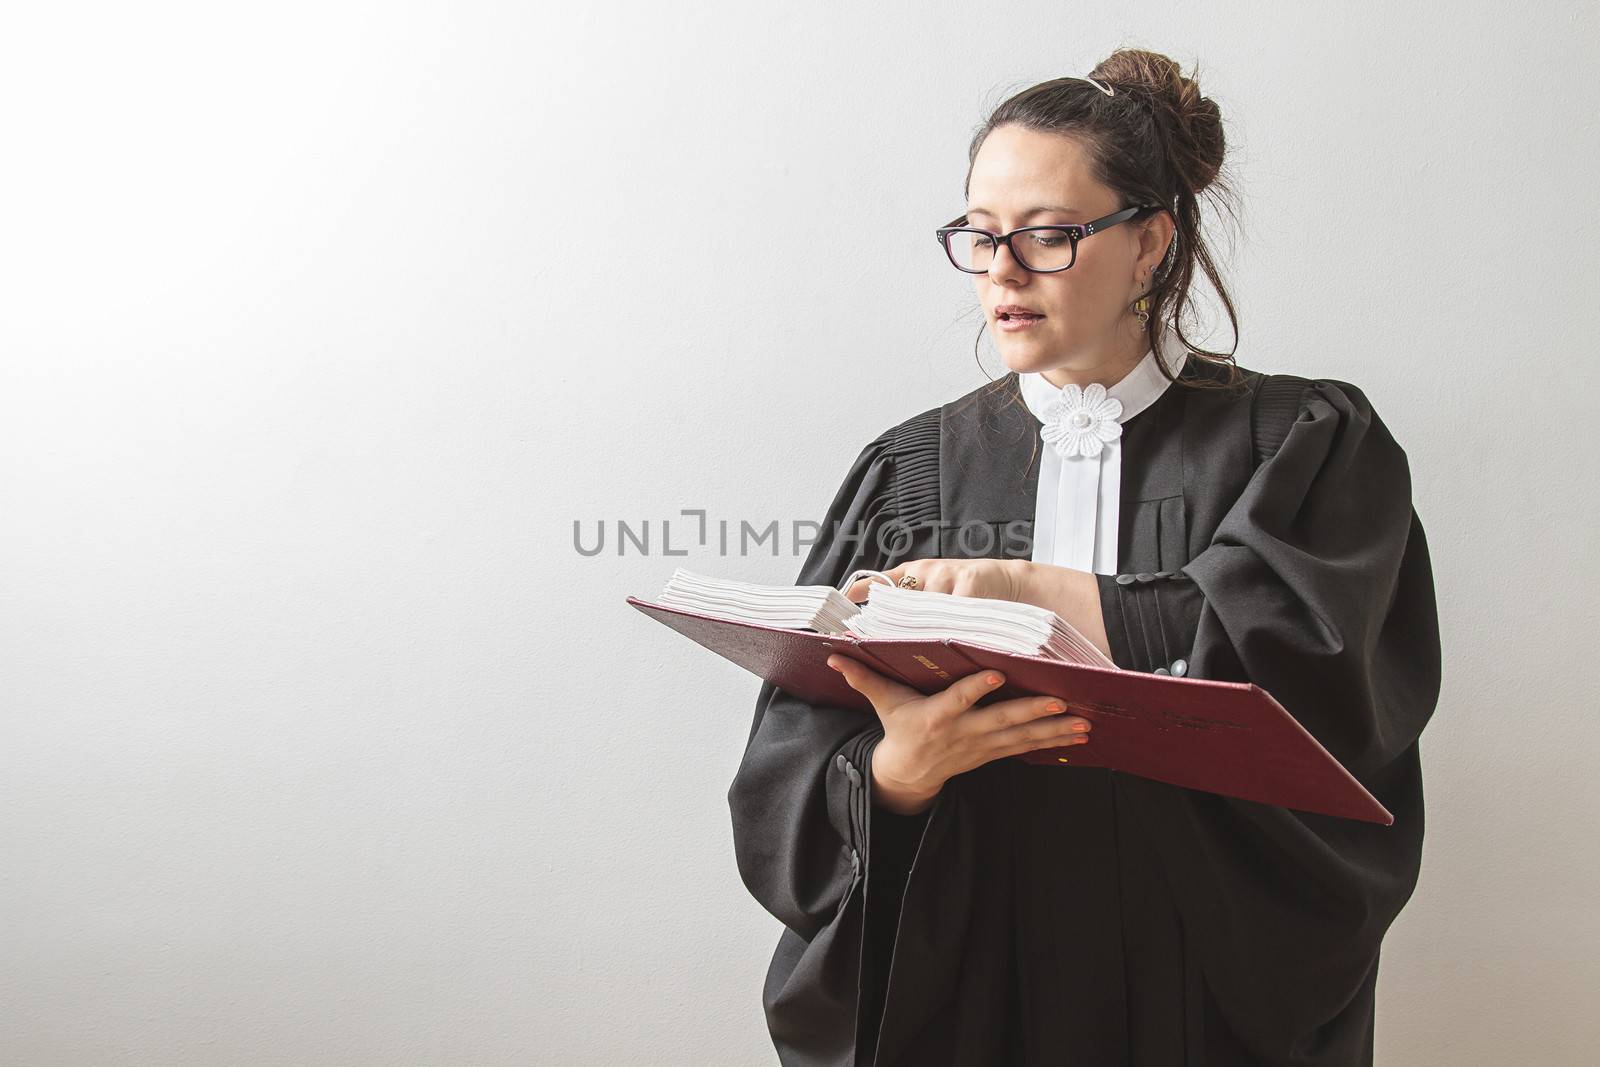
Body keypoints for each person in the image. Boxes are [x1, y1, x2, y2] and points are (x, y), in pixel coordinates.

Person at [727, 48, 1441, 1067]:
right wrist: (896, 773)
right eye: (979, 236)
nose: (1002, 272)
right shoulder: (909, 476)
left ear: (1149, 241)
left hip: (1202, 987)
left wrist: (1024, 590)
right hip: (973, 978)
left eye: (1048, 235)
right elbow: (790, 759)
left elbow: (1314, 670)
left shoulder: (1302, 447)